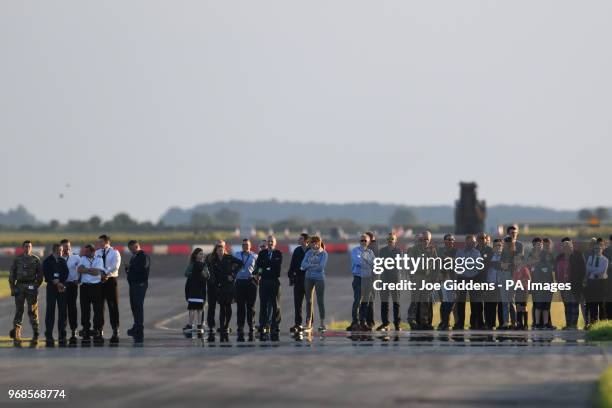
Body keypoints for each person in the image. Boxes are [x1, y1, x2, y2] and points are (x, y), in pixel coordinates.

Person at [9, 240, 43, 341]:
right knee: (19, 309)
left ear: (31, 248)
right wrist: (12, 287)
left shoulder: (36, 259)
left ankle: (35, 331)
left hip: (31, 286)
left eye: (29, 246)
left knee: (32, 310)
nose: (27, 248)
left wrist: (35, 285)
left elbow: (40, 275)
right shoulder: (17, 260)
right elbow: (12, 274)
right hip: (19, 286)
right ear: (22, 247)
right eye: (26, 246)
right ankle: (16, 332)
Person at [208, 243, 242, 340]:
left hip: (229, 285)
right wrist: (215, 283)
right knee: (222, 306)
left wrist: (233, 274)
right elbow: (212, 272)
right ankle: (222, 326)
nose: (220, 251)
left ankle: (226, 325)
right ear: (216, 251)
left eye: (222, 250)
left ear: (224, 250)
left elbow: (240, 263)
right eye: (218, 250)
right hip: (220, 286)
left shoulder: (229, 257)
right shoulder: (213, 260)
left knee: (228, 305)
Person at [407, 231, 438, 330]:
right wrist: (411, 278)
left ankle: (424, 321)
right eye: (423, 239)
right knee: (415, 300)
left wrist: (434, 280)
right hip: (417, 277)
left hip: (427, 278)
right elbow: (409, 264)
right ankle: (412, 320)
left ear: (430, 240)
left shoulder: (432, 250)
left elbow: (436, 265)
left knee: (425, 300)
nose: (425, 241)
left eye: (427, 239)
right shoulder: (414, 249)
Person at [255, 235, 283, 339]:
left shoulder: (278, 253)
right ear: (266, 243)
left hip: (274, 281)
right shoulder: (262, 253)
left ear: (275, 243)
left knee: (275, 304)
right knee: (263, 304)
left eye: (272, 241)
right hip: (264, 281)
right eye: (268, 241)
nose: (270, 243)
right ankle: (263, 325)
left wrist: (266, 265)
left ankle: (275, 325)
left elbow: (277, 267)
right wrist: (267, 267)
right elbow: (259, 267)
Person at [95, 234, 122, 343]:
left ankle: (115, 329)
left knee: (113, 305)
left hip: (110, 280)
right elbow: (96, 265)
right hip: (100, 280)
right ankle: (99, 329)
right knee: (99, 306)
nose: (100, 244)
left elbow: (116, 266)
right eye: (99, 242)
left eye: (102, 241)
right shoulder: (97, 253)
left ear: (107, 242)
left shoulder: (115, 252)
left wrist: (106, 273)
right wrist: (101, 274)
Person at [555, 238, 586, 330]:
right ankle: (568, 324)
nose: (567, 248)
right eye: (565, 247)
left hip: (575, 284)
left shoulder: (578, 255)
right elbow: (556, 270)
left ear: (572, 247)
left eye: (569, 246)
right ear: (562, 248)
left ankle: (573, 325)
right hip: (563, 285)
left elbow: (583, 269)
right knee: (567, 305)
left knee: (574, 305)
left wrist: (580, 281)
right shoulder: (559, 257)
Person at [347, 234, 375, 331]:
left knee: (365, 302)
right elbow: (357, 262)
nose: (363, 242)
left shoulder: (371, 252)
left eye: (365, 241)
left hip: (368, 279)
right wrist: (368, 261)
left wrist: (366, 261)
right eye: (362, 240)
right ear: (359, 241)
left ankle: (363, 322)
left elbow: (375, 263)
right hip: (358, 278)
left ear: (368, 242)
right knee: (357, 301)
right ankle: (355, 322)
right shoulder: (355, 250)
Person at [454, 235, 483, 329]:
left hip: (473, 279)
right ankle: (460, 323)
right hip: (462, 278)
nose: (472, 244)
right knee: (460, 303)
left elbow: (477, 265)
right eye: (470, 242)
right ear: (466, 242)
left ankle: (473, 323)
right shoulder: (460, 252)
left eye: (474, 242)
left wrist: (465, 263)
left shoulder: (477, 252)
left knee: (474, 303)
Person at [78, 244, 105, 342]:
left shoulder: (99, 259)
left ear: (92, 252)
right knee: (85, 309)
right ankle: (86, 328)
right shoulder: (83, 258)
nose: (84, 253)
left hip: (96, 287)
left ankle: (98, 329)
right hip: (84, 287)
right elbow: (79, 269)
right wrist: (90, 269)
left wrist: (86, 270)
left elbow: (97, 272)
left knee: (98, 309)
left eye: (87, 251)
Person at [43, 243, 69, 344]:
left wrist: (62, 284)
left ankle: (62, 334)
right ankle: (49, 334)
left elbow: (66, 273)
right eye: (60, 250)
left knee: (63, 311)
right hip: (51, 288)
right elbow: (46, 273)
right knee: (50, 311)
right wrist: (55, 282)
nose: (62, 252)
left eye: (62, 250)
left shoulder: (62, 260)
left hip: (61, 288)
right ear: (55, 250)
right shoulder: (47, 261)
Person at [301, 235, 328, 332]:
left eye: (316, 242)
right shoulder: (308, 253)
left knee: (320, 301)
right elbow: (302, 265)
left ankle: (322, 323)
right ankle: (308, 323)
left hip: (319, 278)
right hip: (308, 278)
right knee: (308, 301)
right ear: (310, 244)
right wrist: (313, 265)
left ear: (320, 243)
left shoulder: (324, 253)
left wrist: (309, 266)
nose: (315, 244)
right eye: (312, 242)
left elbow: (321, 267)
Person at [233, 239, 258, 340]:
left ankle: (251, 325)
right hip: (239, 282)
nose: (245, 246)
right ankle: (240, 326)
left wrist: (258, 275)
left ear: (250, 245)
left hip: (251, 282)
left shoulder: (255, 256)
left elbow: (259, 267)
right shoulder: (236, 255)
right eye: (243, 245)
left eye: (247, 244)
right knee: (240, 306)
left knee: (251, 306)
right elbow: (231, 266)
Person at [126, 240, 150, 343]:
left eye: (132, 249)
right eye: (130, 249)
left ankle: (139, 328)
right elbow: (132, 270)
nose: (131, 251)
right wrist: (128, 269)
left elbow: (142, 269)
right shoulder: (134, 257)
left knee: (138, 305)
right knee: (134, 305)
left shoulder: (143, 256)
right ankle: (136, 325)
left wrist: (130, 267)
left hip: (140, 284)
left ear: (136, 246)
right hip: (133, 284)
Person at [377, 233, 402, 331]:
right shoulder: (382, 251)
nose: (390, 240)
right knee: (384, 302)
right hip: (384, 279)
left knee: (396, 302)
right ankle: (385, 323)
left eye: (392, 239)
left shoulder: (398, 251)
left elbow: (396, 263)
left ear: (395, 240)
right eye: (388, 239)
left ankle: (397, 324)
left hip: (395, 280)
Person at [528, 238, 553, 329]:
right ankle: (536, 323)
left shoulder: (546, 254)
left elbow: (550, 267)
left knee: (546, 305)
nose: (539, 246)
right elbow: (529, 265)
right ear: (534, 246)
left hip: (546, 283)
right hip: (535, 283)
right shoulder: (531, 254)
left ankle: (546, 323)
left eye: (541, 244)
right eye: (537, 244)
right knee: (537, 305)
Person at [184, 248, 209, 338]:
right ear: (195, 255)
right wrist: (195, 275)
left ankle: (199, 324)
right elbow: (186, 273)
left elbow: (207, 275)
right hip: (193, 288)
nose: (201, 256)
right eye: (199, 254)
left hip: (201, 288)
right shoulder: (192, 264)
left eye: (202, 254)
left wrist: (202, 274)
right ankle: (190, 324)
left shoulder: (204, 265)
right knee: (192, 308)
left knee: (199, 308)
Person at [288, 233, 309, 333]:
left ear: (306, 240)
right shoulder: (297, 250)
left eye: (300, 238)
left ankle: (309, 323)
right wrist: (291, 276)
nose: (298, 240)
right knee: (297, 303)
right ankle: (298, 324)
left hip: (309, 280)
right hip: (299, 280)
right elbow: (292, 265)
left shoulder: (311, 250)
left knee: (309, 303)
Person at [61, 239, 81, 342]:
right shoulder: (58, 258)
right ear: (61, 248)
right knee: (62, 309)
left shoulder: (76, 257)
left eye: (68, 247)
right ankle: (63, 331)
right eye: (64, 247)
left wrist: (79, 279)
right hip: (62, 286)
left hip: (72, 285)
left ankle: (74, 330)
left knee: (72, 308)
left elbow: (82, 268)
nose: (66, 249)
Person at [585, 239, 609, 326]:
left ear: (602, 249)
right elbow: (587, 270)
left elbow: (601, 272)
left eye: (599, 248)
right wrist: (594, 270)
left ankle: (602, 324)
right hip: (591, 283)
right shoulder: (590, 258)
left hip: (601, 284)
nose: (597, 250)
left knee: (601, 305)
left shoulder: (605, 260)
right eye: (595, 248)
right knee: (592, 305)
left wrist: (592, 270)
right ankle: (593, 323)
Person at [205, 239, 226, 332]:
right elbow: (204, 269)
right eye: (218, 245)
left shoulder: (227, 257)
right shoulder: (209, 257)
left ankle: (223, 325)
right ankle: (211, 326)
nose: (219, 247)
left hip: (223, 286)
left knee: (224, 306)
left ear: (224, 246)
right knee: (211, 306)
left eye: (221, 245)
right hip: (212, 285)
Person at [437, 234, 456, 330]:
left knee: (451, 302)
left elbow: (457, 261)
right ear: (444, 241)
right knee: (444, 301)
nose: (451, 241)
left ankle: (445, 322)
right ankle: (444, 322)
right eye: (449, 239)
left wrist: (448, 259)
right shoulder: (440, 250)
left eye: (452, 240)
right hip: (443, 278)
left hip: (453, 279)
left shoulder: (456, 251)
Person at [476, 233, 493, 329]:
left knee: (488, 304)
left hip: (487, 279)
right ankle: (479, 322)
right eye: (480, 238)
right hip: (476, 280)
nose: (482, 240)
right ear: (477, 239)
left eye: (484, 238)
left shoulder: (490, 250)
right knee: (478, 304)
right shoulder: (474, 250)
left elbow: (490, 263)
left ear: (486, 239)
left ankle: (488, 323)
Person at [364, 231, 379, 329]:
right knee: (370, 300)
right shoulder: (375, 247)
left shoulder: (371, 248)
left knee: (368, 301)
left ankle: (369, 322)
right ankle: (369, 322)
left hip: (370, 277)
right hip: (373, 277)